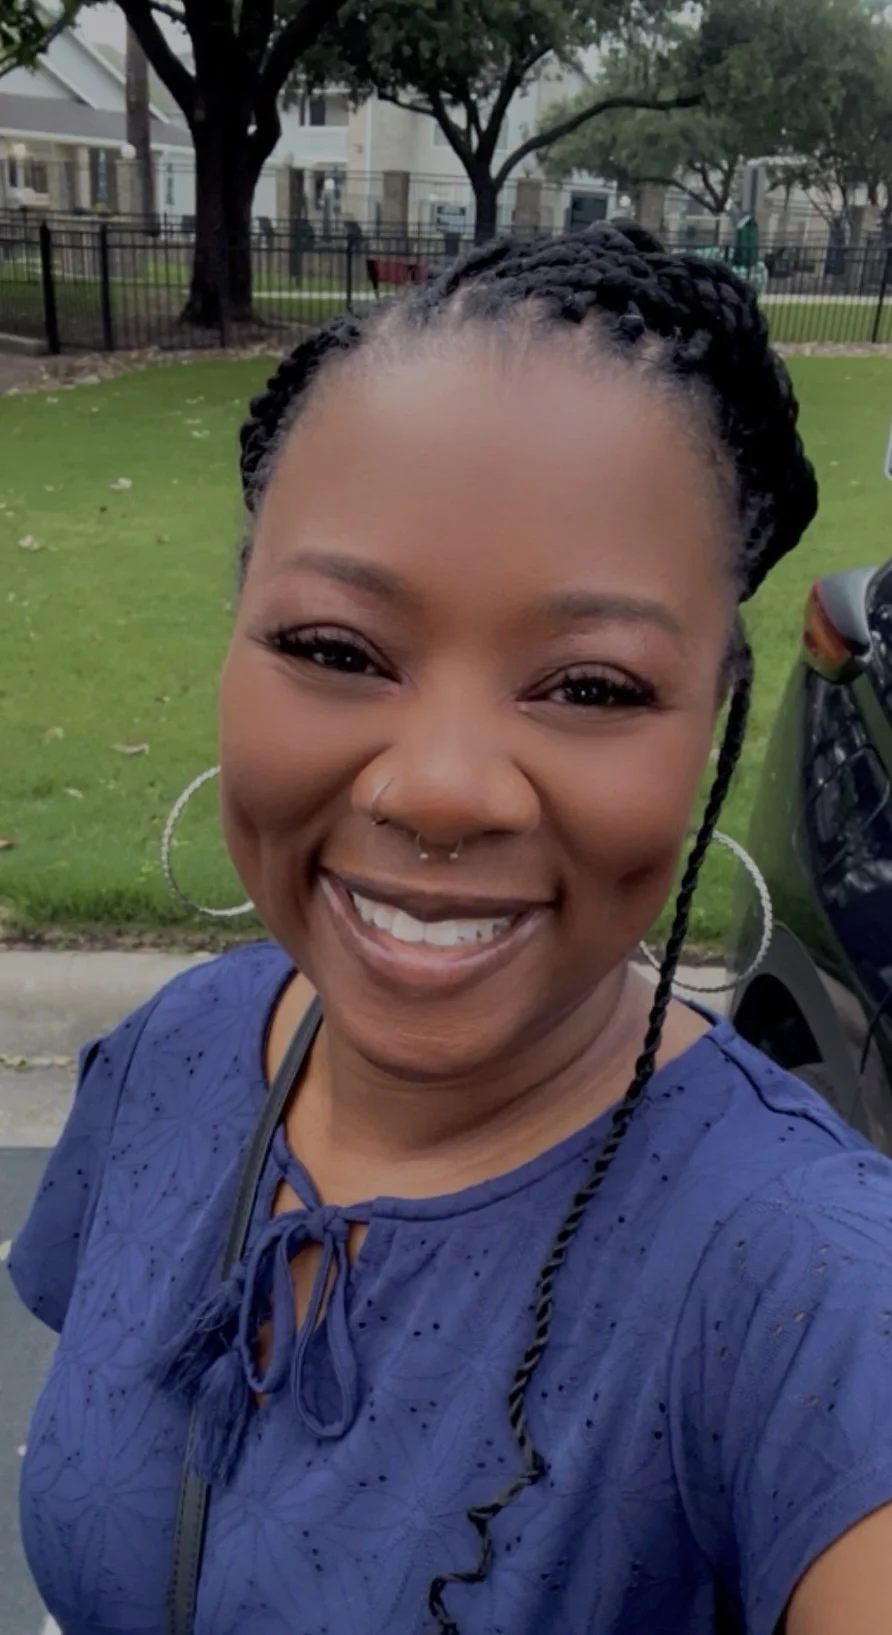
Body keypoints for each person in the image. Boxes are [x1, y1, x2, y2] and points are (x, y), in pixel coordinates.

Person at [9, 225, 892, 1635]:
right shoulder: (175, 1054)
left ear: (714, 718)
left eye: (592, 686)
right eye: (337, 650)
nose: (438, 787)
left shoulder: (812, 1289)